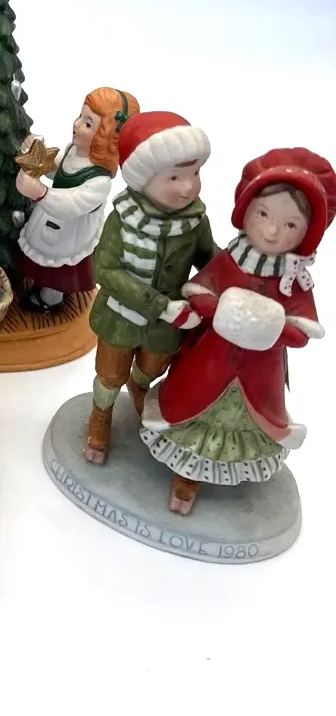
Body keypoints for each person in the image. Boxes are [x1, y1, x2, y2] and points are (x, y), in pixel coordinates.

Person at [140, 148, 336, 514]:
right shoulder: (232, 260)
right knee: (191, 411)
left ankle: (224, 475)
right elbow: (199, 292)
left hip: (260, 374)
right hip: (210, 362)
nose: (272, 231)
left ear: (307, 233)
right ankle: (186, 479)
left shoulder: (292, 280)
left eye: (290, 225)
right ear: (245, 211)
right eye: (263, 214)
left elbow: (302, 332)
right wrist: (222, 309)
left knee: (251, 420)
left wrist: (274, 326)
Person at [85, 111, 218, 464]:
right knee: (110, 373)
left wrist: (234, 274)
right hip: (120, 319)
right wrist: (159, 304)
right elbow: (105, 269)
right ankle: (101, 414)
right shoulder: (123, 220)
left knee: (154, 367)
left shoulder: (194, 221)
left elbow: (210, 258)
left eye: (194, 174)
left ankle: (140, 387)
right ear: (143, 179)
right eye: (175, 177)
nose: (188, 187)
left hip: (167, 326)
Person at [16, 87, 140, 313]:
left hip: (69, 232)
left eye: (88, 124)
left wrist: (41, 192)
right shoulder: (73, 151)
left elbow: (72, 203)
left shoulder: (99, 181)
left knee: (59, 270)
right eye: (80, 116)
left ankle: (50, 299)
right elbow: (60, 169)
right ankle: (37, 284)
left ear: (105, 138)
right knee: (42, 258)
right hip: (49, 219)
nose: (76, 124)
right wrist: (39, 154)